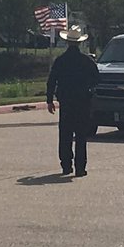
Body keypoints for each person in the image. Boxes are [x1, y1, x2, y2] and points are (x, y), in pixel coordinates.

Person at [46, 26, 99, 177]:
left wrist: (50, 100)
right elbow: (97, 79)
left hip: (66, 102)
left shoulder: (60, 60)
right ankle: (80, 168)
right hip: (82, 102)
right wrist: (88, 89)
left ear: (68, 42)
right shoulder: (86, 61)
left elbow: (51, 81)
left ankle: (66, 165)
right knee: (81, 136)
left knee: (65, 135)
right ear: (79, 43)